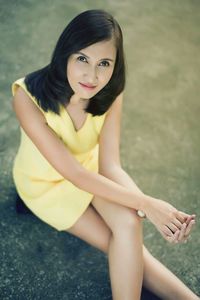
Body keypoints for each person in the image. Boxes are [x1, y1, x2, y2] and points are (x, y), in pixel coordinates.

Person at [11, 9, 199, 300]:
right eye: (83, 59)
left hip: (91, 170)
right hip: (45, 186)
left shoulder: (111, 92)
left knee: (128, 225)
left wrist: (161, 213)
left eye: (104, 63)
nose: (92, 75)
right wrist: (147, 205)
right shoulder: (26, 97)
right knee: (124, 243)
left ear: (114, 66)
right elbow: (72, 173)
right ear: (66, 54)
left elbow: (110, 164)